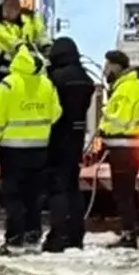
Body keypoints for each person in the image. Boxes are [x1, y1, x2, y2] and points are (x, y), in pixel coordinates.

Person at [0, 47, 60, 254]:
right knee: (33, 195)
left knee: (13, 196)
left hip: (12, 151)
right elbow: (55, 114)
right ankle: (33, 236)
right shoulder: (46, 85)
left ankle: (14, 239)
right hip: (40, 149)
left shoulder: (7, 85)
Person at [43, 36, 96, 252]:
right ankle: (76, 234)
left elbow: (52, 109)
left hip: (57, 137)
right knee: (73, 188)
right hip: (76, 137)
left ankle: (58, 236)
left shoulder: (54, 78)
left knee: (57, 188)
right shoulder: (84, 79)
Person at [96, 49, 139, 249]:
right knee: (128, 189)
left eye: (107, 66)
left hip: (123, 147)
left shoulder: (125, 90)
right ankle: (134, 227)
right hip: (134, 146)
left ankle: (129, 234)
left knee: (122, 192)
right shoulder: (137, 86)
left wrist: (103, 129)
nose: (105, 71)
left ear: (116, 66)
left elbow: (119, 119)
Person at [0, 0, 48, 90]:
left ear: (18, 10)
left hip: (18, 70)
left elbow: (40, 33)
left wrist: (46, 45)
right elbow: (11, 42)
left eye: (12, 11)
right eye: (7, 11)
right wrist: (26, 47)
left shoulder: (30, 19)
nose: (8, 14)